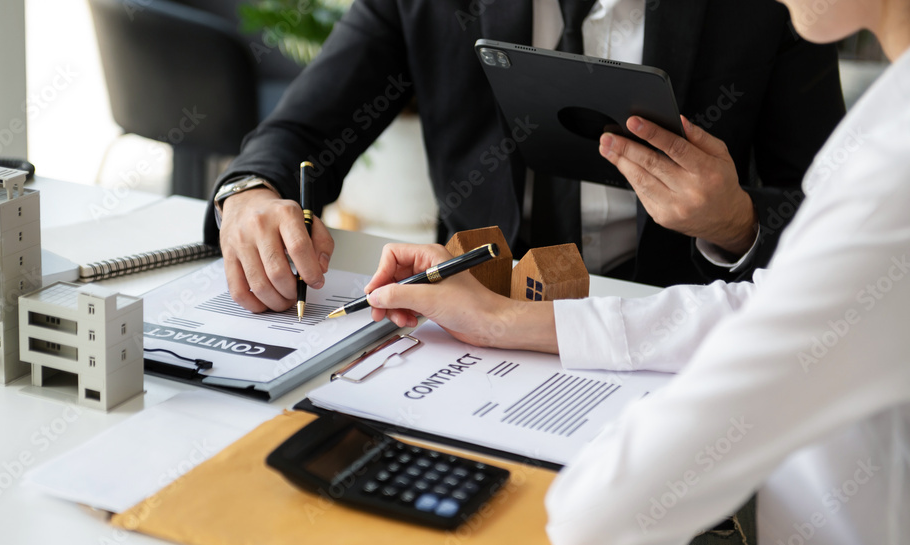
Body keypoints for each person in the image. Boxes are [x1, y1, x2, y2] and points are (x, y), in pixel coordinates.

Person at [362, 0, 910, 542]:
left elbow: (601, 513)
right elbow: (763, 305)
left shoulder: (890, 173)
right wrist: (504, 319)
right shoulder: (886, 127)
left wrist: (736, 218)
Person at [205, 0, 845, 315]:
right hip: (476, 307)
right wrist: (250, 194)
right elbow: (304, 128)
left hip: (672, 318)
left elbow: (833, 210)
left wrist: (734, 221)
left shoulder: (780, 8)